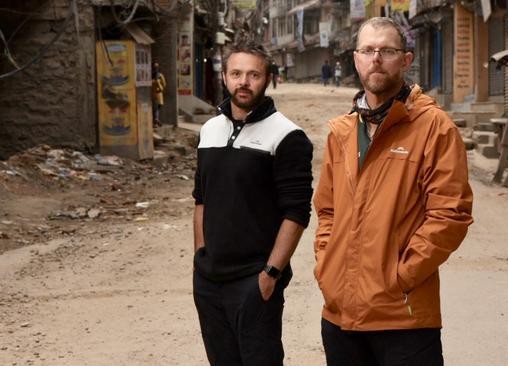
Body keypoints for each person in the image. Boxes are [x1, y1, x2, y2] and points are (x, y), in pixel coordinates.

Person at [313, 17, 474, 366]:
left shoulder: (434, 128)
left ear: (406, 60)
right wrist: (327, 266)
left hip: (404, 316)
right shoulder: (341, 132)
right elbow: (327, 210)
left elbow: (451, 214)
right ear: (355, 59)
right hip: (340, 314)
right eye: (368, 50)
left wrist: (400, 277)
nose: (376, 59)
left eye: (387, 50)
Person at [192, 37, 313, 366]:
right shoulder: (209, 130)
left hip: (253, 279)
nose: (243, 82)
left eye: (253, 75)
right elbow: (201, 199)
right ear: (225, 77)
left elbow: (297, 213)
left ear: (268, 78)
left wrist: (271, 273)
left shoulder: (288, 136)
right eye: (236, 73)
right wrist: (200, 260)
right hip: (210, 280)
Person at [152, 62, 166, 127]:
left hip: (159, 94)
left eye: (157, 67)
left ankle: (156, 120)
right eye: (154, 67)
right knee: (155, 108)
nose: (156, 69)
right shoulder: (151, 75)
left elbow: (164, 84)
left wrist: (159, 84)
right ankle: (156, 121)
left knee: (158, 107)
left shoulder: (160, 76)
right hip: (153, 94)